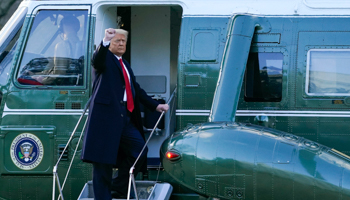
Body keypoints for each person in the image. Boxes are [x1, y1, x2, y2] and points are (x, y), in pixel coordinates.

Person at [81, 28, 169, 200]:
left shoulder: (124, 63)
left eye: (123, 41)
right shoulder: (105, 58)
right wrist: (105, 41)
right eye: (117, 41)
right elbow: (96, 59)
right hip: (106, 119)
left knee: (139, 151)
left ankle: (118, 188)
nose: (121, 44)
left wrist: (156, 106)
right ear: (110, 44)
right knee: (102, 164)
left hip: (124, 118)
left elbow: (136, 89)